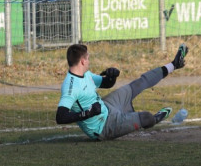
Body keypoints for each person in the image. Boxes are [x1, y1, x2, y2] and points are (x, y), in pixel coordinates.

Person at [55, 42, 188, 141]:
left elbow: (106, 84)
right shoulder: (70, 87)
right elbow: (60, 117)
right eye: (88, 58)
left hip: (107, 107)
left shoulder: (85, 74)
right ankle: (155, 119)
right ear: (83, 61)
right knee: (146, 117)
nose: (89, 61)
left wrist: (112, 76)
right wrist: (88, 113)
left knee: (138, 84)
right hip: (103, 127)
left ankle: (174, 64)